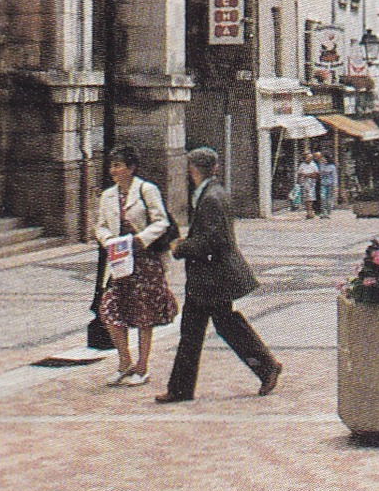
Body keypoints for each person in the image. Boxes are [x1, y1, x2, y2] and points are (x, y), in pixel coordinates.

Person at [157, 147, 281, 404]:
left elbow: (213, 241)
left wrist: (180, 248)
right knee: (211, 327)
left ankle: (266, 367)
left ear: (193, 169)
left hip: (211, 277)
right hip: (209, 276)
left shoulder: (211, 197)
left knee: (209, 328)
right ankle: (181, 388)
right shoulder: (213, 193)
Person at [95, 145, 179, 387]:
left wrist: (140, 240)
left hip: (145, 260)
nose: (114, 170)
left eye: (118, 165)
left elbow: (161, 221)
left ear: (131, 168)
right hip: (120, 261)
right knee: (110, 308)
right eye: (112, 165)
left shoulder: (146, 190)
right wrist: (109, 240)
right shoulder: (108, 196)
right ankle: (124, 361)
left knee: (144, 313)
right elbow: (100, 225)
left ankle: (142, 367)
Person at [296, 150, 321, 219]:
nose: (307, 159)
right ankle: (308, 211)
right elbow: (299, 173)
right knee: (305, 198)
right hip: (303, 183)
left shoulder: (313, 165)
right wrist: (299, 181)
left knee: (310, 197)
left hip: (311, 183)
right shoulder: (302, 165)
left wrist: (307, 175)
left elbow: (316, 174)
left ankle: (310, 211)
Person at [316, 150, 338, 218]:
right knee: (323, 198)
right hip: (323, 184)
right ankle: (323, 211)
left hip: (330, 184)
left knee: (329, 198)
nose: (323, 159)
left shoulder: (332, 166)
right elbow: (319, 173)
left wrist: (335, 186)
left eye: (324, 158)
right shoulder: (321, 165)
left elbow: (335, 176)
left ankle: (328, 212)